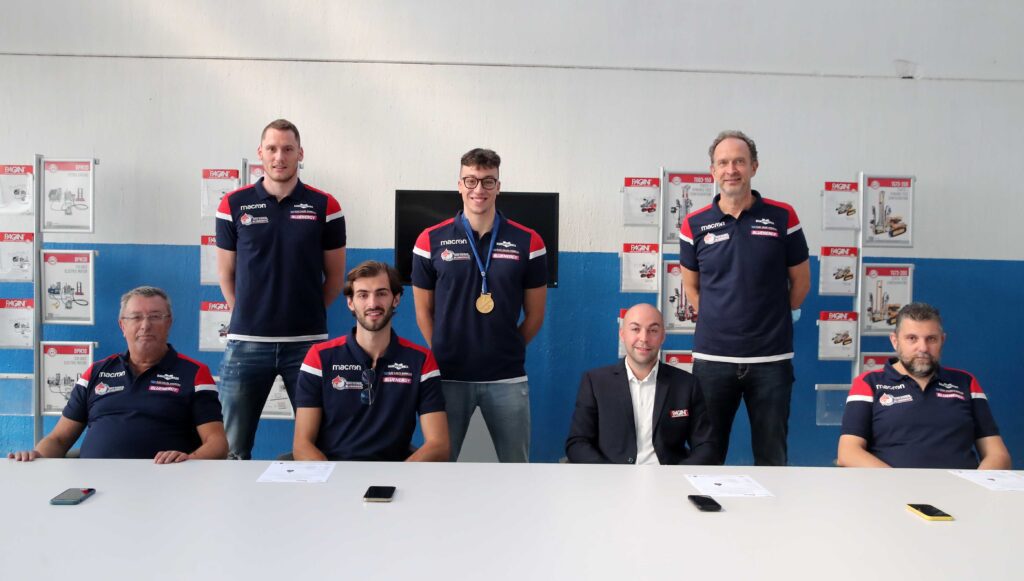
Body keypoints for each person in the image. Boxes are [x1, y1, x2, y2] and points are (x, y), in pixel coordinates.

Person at [216, 118, 347, 459]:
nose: (279, 157)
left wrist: (306, 312)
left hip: (307, 345)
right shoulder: (233, 205)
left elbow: (335, 278)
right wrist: (246, 314)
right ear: (260, 152)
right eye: (272, 149)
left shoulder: (325, 206)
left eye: (288, 149)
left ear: (300, 154)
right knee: (231, 449)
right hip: (246, 344)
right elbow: (226, 274)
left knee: (319, 447)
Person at [679, 130, 810, 466]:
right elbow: (691, 287)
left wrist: (778, 315)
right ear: (713, 170)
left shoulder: (783, 217)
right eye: (723, 163)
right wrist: (718, 320)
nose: (731, 169)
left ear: (754, 166)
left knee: (771, 455)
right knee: (706, 454)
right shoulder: (694, 224)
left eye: (739, 161)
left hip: (771, 359)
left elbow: (801, 282)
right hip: (712, 359)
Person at [412, 148, 547, 462]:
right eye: (470, 180)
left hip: (507, 377)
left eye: (488, 181)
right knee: (440, 467)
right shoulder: (429, 240)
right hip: (448, 375)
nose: (479, 189)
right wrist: (442, 348)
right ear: (459, 185)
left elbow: (536, 314)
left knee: (516, 467)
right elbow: (423, 311)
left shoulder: (529, 241)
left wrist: (509, 346)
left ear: (499, 186)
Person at [8, 287, 227, 463]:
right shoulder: (96, 372)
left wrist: (189, 460)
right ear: (122, 325)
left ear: (168, 323)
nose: (145, 325)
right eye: (136, 317)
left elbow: (217, 443)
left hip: (164, 484)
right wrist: (36, 456)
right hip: (92, 485)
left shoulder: (194, 373)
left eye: (155, 316)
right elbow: (58, 439)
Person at [293, 261, 448, 461]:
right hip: (334, 472)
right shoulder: (319, 358)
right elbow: (302, 445)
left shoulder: (421, 361)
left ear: (396, 299)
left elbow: (439, 445)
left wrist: (399, 475)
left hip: (393, 475)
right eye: (363, 295)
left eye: (381, 293)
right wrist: (332, 478)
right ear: (350, 302)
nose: (373, 304)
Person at [838, 303, 1011, 469]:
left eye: (931, 339)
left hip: (959, 487)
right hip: (891, 487)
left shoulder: (966, 382)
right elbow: (848, 452)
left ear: (942, 340)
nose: (923, 348)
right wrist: (898, 482)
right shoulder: (869, 383)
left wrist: (975, 484)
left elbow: (998, 454)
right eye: (912, 338)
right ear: (895, 340)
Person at [566, 304, 717, 465]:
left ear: (663, 336)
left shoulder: (687, 384)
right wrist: (609, 474)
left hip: (668, 476)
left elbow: (706, 445)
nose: (644, 338)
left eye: (653, 330)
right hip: (612, 476)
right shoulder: (595, 382)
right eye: (635, 329)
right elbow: (577, 443)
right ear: (622, 334)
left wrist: (677, 474)